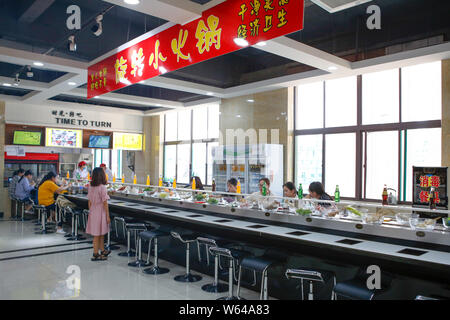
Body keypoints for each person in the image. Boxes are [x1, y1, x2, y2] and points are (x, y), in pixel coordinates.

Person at [86, 167, 111, 261]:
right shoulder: (102, 188)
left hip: (93, 211)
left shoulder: (91, 187)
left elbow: (89, 202)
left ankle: (103, 250)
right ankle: (95, 254)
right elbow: (105, 203)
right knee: (98, 234)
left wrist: (91, 211)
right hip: (101, 212)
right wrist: (108, 216)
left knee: (100, 233)